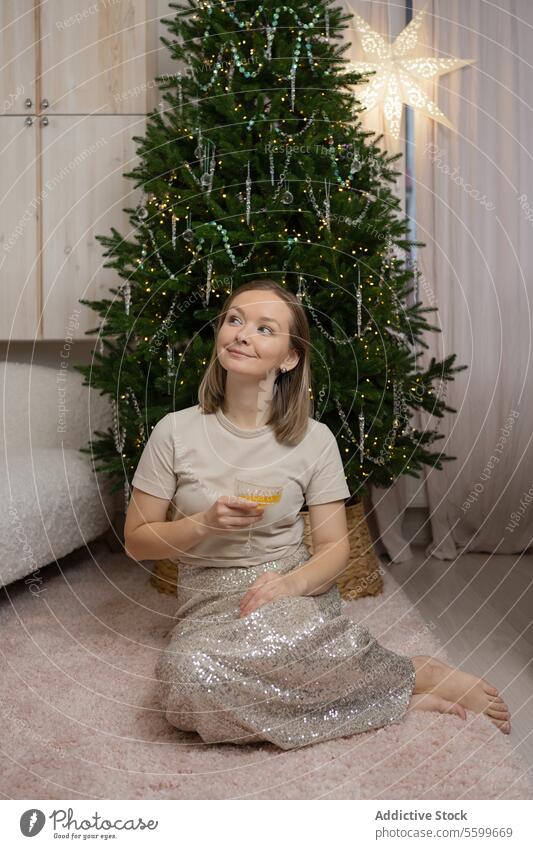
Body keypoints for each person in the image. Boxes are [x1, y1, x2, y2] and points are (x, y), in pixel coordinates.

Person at [124, 279, 511, 750]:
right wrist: (202, 524)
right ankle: (397, 693)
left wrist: (286, 586)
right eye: (235, 320)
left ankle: (413, 670)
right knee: (186, 681)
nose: (242, 333)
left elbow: (333, 548)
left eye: (265, 328)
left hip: (289, 588)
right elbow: (137, 540)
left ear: (289, 358)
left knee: (294, 648)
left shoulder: (314, 439)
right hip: (207, 600)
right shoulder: (174, 432)